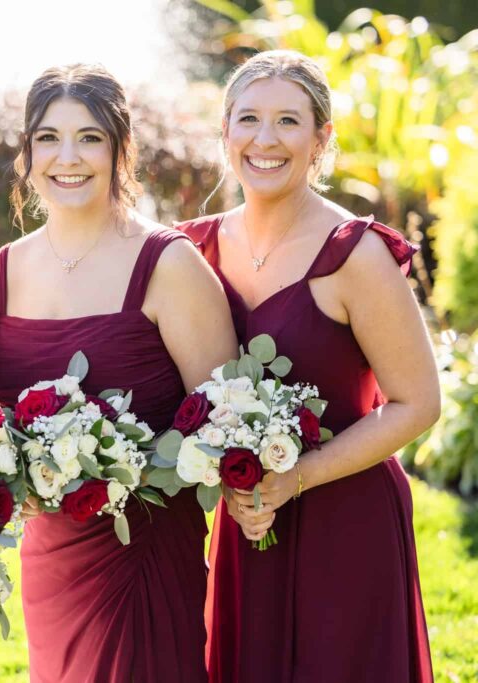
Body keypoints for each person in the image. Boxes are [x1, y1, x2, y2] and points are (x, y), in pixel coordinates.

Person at [178, 49, 438, 683]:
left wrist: (297, 477)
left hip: (345, 520)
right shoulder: (191, 250)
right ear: (225, 131)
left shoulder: (356, 253)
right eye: (249, 120)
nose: (266, 140)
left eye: (289, 122)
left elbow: (418, 402)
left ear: (322, 140)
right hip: (248, 519)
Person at [0, 63, 237, 683]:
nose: (66, 157)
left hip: (147, 547)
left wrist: (126, 461)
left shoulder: (167, 263)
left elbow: (226, 419)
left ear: (121, 149)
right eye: (47, 137)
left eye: (89, 137)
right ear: (26, 155)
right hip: (51, 554)